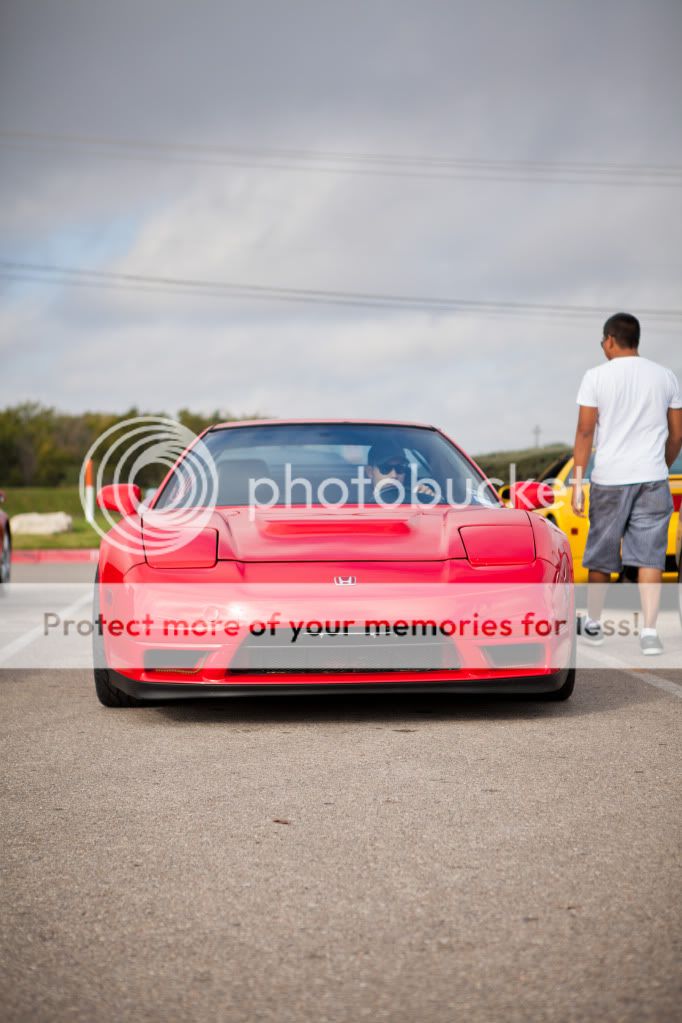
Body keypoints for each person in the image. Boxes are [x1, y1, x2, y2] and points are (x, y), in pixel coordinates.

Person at [572, 312, 682, 655]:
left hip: (610, 478)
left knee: (602, 553)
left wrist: (578, 481)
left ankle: (593, 625)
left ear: (609, 340)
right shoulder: (665, 377)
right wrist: (659, 465)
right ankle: (649, 633)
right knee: (650, 557)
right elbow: (677, 434)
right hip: (652, 478)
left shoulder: (596, 377)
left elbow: (586, 431)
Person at [365, 444, 436, 504]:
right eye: (385, 468)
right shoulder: (357, 500)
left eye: (399, 468)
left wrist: (428, 498)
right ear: (370, 472)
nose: (394, 475)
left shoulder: (414, 497)